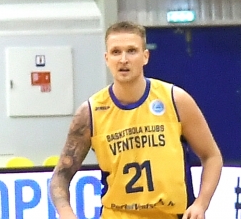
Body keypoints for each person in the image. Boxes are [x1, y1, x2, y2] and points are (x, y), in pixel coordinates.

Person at [50, 21, 223, 219]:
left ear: (145, 56)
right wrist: (66, 213)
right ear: (107, 59)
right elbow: (60, 177)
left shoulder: (176, 100)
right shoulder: (90, 112)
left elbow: (212, 156)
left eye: (131, 51)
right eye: (116, 52)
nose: (123, 59)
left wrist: (201, 204)